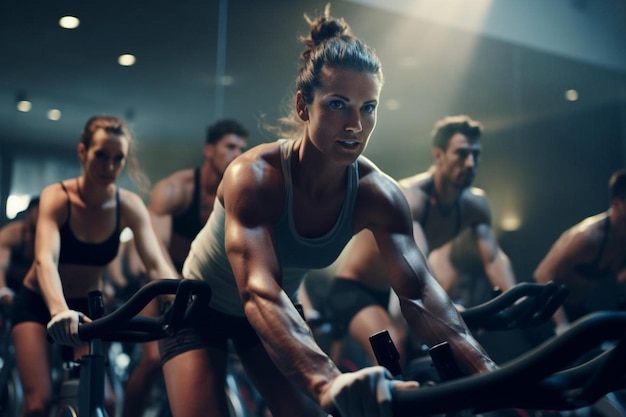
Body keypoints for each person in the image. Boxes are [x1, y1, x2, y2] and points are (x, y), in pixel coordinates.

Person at [158, 7, 496, 417]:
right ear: (303, 106)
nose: (355, 124)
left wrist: (489, 373)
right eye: (339, 104)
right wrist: (326, 379)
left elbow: (420, 293)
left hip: (278, 310)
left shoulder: (379, 195)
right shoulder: (255, 177)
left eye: (368, 107)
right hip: (202, 310)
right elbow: (258, 290)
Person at [11, 115, 179, 417]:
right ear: (82, 152)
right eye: (101, 155)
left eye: (118, 159)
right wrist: (59, 310)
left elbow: (156, 264)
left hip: (87, 309)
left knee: (103, 401)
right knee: (37, 403)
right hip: (39, 303)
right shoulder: (58, 197)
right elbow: (45, 260)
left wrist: (181, 298)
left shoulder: (128, 205)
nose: (109, 167)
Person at [325, 114, 516, 368]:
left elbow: (493, 258)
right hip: (355, 290)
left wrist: (516, 300)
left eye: (475, 154)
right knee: (394, 351)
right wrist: (445, 308)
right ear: (439, 155)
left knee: (434, 356)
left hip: (400, 288)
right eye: (461, 154)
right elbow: (417, 265)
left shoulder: (475, 205)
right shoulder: (410, 198)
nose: (470, 163)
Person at [120, 119, 248, 417]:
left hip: (205, 283)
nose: (237, 154)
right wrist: (176, 292)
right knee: (151, 360)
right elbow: (154, 254)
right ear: (209, 149)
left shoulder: (239, 193)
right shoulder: (174, 190)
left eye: (242, 148)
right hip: (163, 280)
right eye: (230, 146)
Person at [534, 168, 626, 335]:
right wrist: (562, 326)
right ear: (617, 204)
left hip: (576, 310)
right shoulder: (587, 236)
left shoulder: (623, 240)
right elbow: (542, 274)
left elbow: (622, 278)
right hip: (545, 312)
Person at [0, 197, 39, 307]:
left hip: (34, 289)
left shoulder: (55, 237)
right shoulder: (12, 233)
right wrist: (2, 290)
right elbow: (0, 266)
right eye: (40, 212)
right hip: (9, 284)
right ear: (29, 213)